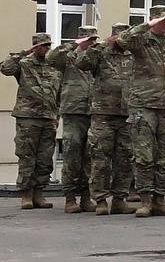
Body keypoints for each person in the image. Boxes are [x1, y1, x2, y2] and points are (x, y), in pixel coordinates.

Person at [116, 5, 165, 217]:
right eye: (162, 19)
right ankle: (145, 200)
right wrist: (146, 26)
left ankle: (160, 199)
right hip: (143, 106)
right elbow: (121, 41)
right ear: (153, 20)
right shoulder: (140, 41)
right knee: (144, 155)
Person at [74, 23, 136, 215]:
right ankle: (100, 200)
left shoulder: (133, 55)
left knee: (125, 159)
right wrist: (101, 45)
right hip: (103, 114)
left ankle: (120, 199)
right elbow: (82, 63)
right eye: (118, 38)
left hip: (127, 114)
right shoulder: (101, 53)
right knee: (100, 158)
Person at [1, 33, 61, 210]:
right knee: (27, 156)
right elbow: (5, 68)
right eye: (43, 45)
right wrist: (24, 53)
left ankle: (38, 193)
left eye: (48, 45)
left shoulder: (54, 67)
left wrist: (57, 116)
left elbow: (58, 94)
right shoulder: (24, 64)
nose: (46, 48)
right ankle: (26, 194)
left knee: (44, 159)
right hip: (28, 118)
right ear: (35, 47)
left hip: (48, 118)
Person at [47, 26, 98, 214]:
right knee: (71, 154)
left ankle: (86, 197)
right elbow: (51, 58)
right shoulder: (67, 58)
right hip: (73, 112)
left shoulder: (95, 59)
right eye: (89, 39)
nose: (92, 43)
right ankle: (70, 197)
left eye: (94, 39)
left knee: (89, 156)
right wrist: (74, 45)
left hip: (93, 112)